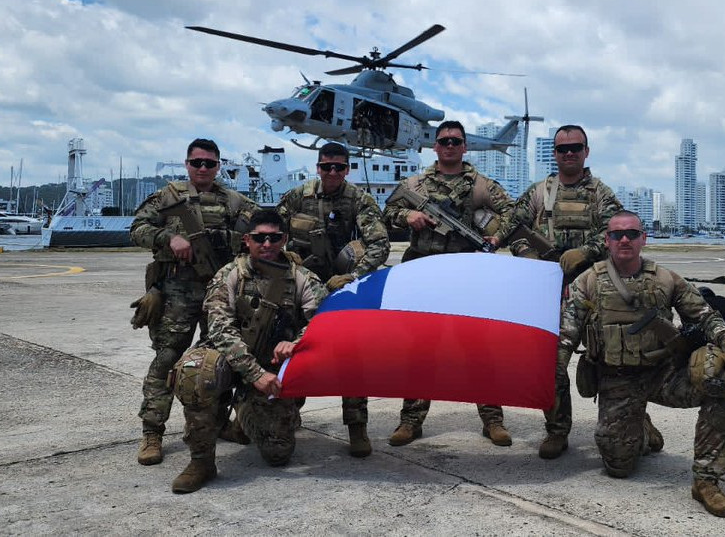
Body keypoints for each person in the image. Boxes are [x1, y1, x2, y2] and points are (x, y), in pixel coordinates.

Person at [562, 210, 725, 517]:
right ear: (606, 240)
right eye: (617, 234)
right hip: (616, 379)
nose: (625, 239)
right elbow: (567, 333)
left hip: (664, 375)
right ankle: (642, 428)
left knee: (722, 394)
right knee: (618, 466)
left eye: (632, 234)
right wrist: (554, 370)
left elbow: (706, 316)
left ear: (643, 239)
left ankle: (706, 481)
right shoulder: (588, 281)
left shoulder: (666, 279)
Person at [170, 209, 327, 493]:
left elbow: (325, 320)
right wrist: (253, 374)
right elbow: (219, 328)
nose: (267, 244)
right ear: (247, 240)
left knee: (278, 454)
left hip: (272, 364)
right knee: (195, 372)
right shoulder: (230, 274)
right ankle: (202, 461)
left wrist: (297, 343)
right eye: (259, 238)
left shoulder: (301, 278)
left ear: (285, 240)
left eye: (274, 238)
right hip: (230, 357)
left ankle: (245, 412)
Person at [500, 124, 630, 459]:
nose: (569, 153)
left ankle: (636, 422)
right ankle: (557, 430)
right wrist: (529, 256)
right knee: (551, 363)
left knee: (612, 362)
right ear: (554, 154)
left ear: (586, 151)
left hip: (594, 291)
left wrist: (585, 252)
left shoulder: (601, 193)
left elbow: (615, 233)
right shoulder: (539, 193)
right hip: (550, 293)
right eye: (562, 149)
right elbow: (514, 228)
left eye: (575, 147)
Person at [382, 120, 515, 447]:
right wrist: (407, 217)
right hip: (424, 275)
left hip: (467, 275)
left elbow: (514, 212)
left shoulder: (481, 185)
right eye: (444, 141)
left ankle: (492, 419)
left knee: (479, 349)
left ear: (465, 146)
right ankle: (410, 420)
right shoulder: (416, 184)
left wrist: (497, 236)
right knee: (420, 350)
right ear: (435, 146)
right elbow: (387, 212)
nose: (450, 146)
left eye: (456, 141)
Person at [130, 138, 258, 466]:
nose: (203, 168)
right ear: (187, 164)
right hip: (176, 292)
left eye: (210, 163)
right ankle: (152, 432)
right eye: (196, 162)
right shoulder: (168, 197)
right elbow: (137, 228)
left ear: (219, 166)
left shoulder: (235, 202)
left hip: (218, 292)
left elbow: (258, 235)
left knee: (221, 360)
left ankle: (215, 422)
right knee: (166, 359)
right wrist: (168, 237)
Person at [276, 141, 391, 457]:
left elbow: (379, 244)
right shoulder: (299, 197)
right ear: (318, 167)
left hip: (342, 292)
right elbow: (273, 232)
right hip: (299, 291)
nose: (332, 172)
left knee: (352, 360)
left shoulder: (359, 200)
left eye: (339, 167)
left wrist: (353, 276)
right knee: (292, 352)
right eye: (327, 166)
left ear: (347, 169)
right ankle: (287, 417)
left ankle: (357, 428)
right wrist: (286, 259)